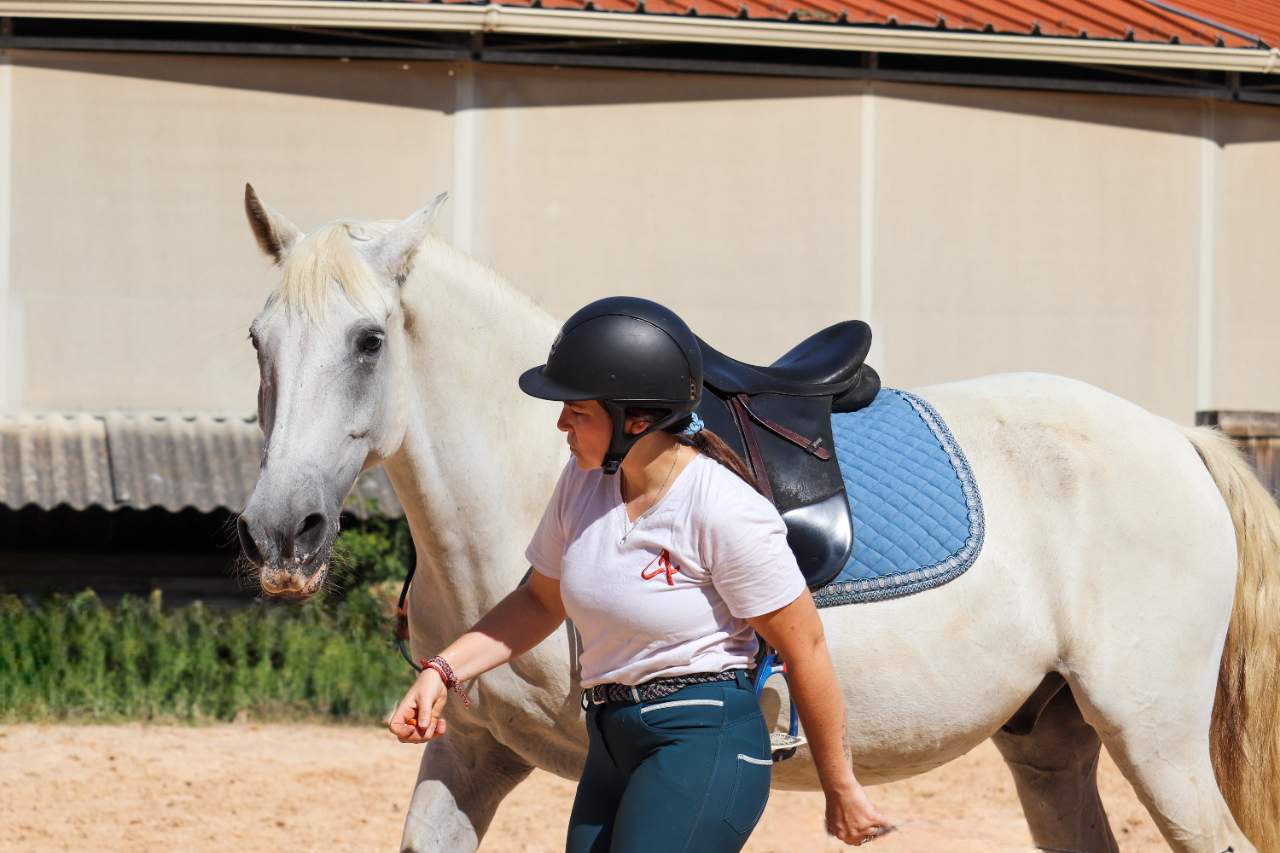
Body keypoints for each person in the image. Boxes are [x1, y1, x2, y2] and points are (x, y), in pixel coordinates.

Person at [389, 297, 891, 851]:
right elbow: (538, 601)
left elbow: (807, 648)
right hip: (609, 741)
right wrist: (443, 670)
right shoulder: (583, 483)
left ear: (638, 418)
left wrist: (840, 785)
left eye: (578, 412)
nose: (561, 423)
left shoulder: (723, 507)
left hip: (702, 741)